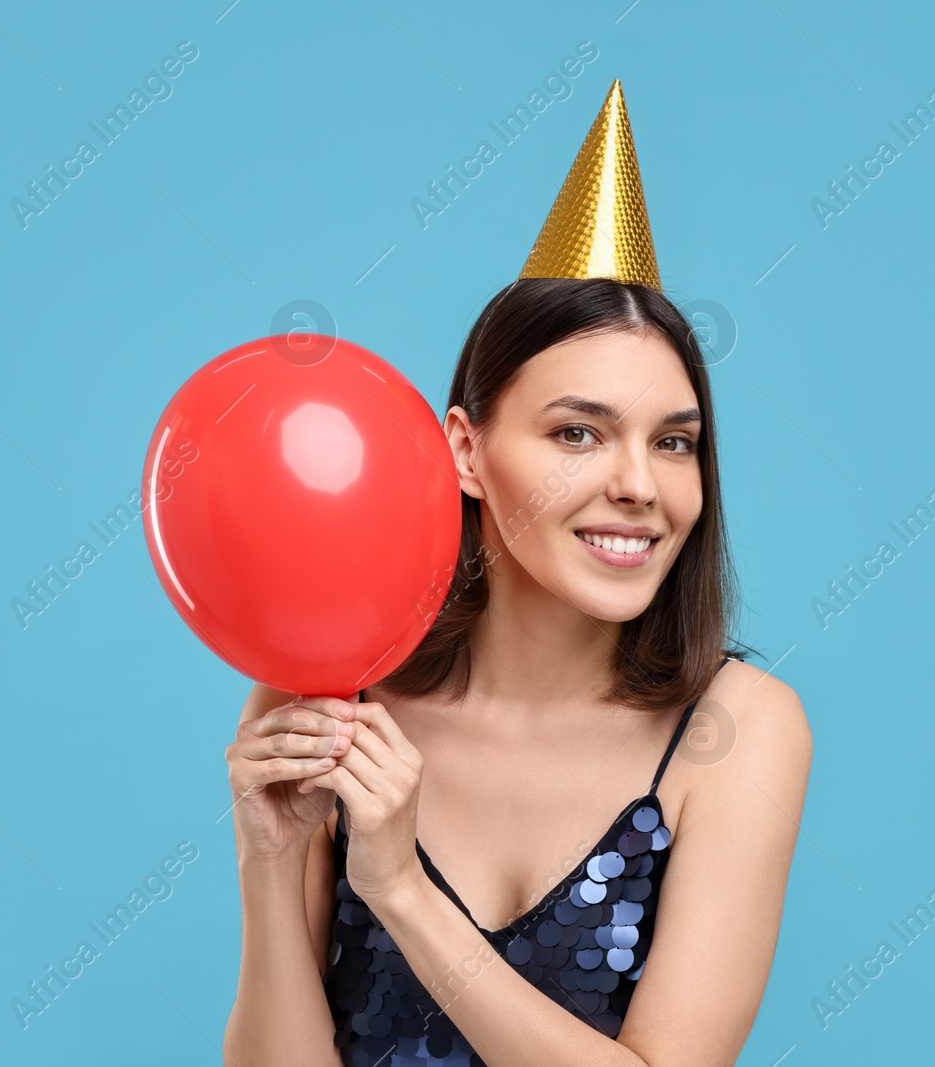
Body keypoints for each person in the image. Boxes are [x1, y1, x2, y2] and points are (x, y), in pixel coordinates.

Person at [223, 80, 811, 1066]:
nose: (638, 485)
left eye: (673, 442)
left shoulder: (738, 728)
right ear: (463, 449)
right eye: (578, 431)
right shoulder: (337, 693)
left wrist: (399, 888)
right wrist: (269, 860)